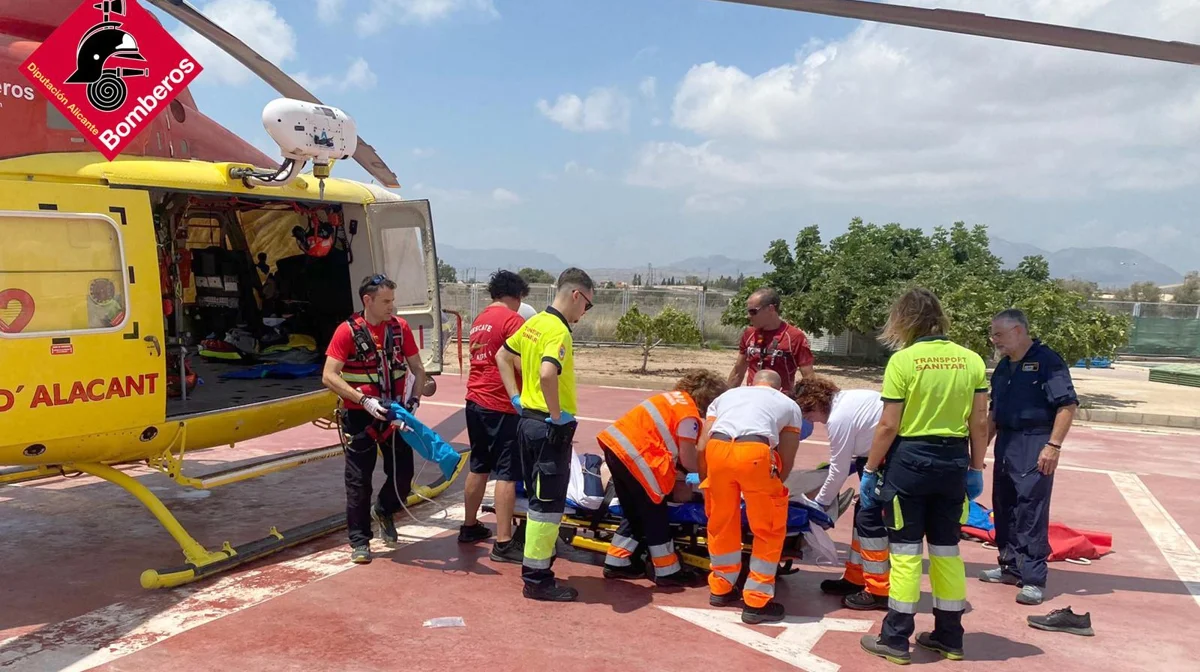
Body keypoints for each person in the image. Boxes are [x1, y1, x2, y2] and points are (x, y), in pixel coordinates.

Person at [857, 288, 989, 665]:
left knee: (906, 553)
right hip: (953, 462)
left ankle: (896, 639)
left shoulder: (904, 361)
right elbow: (979, 421)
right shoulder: (971, 360)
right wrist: (976, 469)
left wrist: (869, 470)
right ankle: (950, 636)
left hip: (910, 462)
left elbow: (888, 424)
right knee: (948, 551)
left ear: (903, 320)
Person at [496, 267, 595, 601]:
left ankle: (537, 564)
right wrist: (556, 416)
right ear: (576, 295)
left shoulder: (534, 323)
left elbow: (502, 356)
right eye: (588, 305)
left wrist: (516, 398)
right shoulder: (558, 331)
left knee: (538, 497)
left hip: (527, 422)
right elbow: (548, 372)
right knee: (547, 504)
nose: (584, 313)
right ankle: (537, 578)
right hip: (548, 428)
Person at [321, 274, 427, 564]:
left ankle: (384, 508)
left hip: (395, 415)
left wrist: (413, 402)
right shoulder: (346, 332)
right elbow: (329, 375)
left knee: (403, 476)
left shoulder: (400, 328)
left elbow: (418, 369)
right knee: (358, 481)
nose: (392, 307)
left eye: (393, 300)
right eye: (386, 301)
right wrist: (363, 400)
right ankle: (360, 542)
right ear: (367, 300)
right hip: (360, 418)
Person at [980, 309, 1078, 606]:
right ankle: (1009, 566)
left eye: (999, 334)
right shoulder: (1003, 368)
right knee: (1004, 505)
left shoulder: (1048, 362)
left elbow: (1067, 405)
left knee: (1030, 510)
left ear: (1019, 331)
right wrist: (979, 450)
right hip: (1006, 442)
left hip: (1034, 441)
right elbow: (994, 413)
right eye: (993, 334)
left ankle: (1034, 578)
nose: (994, 340)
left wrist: (1053, 446)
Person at [597, 369, 728, 587]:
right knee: (654, 514)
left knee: (635, 513)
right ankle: (667, 571)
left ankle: (617, 562)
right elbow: (687, 459)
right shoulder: (689, 416)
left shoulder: (669, 400)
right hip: (638, 459)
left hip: (615, 449)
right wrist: (709, 473)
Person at [698, 369, 804, 625]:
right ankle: (756, 601)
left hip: (717, 450)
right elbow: (786, 457)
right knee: (767, 527)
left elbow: (701, 445)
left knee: (721, 521)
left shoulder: (726, 396)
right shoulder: (789, 405)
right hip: (755, 452)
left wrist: (708, 479)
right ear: (780, 389)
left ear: (751, 383)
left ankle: (721, 588)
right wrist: (774, 488)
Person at [794, 375, 890, 611]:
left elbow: (837, 468)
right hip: (875, 457)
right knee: (862, 517)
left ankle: (879, 590)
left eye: (808, 413)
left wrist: (819, 504)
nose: (810, 420)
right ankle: (855, 577)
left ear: (815, 403)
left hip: (886, 461)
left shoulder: (838, 418)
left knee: (871, 521)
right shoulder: (849, 398)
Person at [458, 270, 532, 563]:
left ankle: (469, 525)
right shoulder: (513, 320)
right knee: (506, 472)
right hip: (501, 404)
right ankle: (504, 541)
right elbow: (519, 361)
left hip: (474, 401)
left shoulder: (480, 320)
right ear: (516, 295)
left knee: (478, 465)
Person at [727, 287, 815, 391]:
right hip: (753, 398)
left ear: (771, 309)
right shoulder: (749, 334)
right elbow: (738, 373)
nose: (748, 316)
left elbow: (809, 378)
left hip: (780, 400)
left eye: (753, 311)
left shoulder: (794, 337)